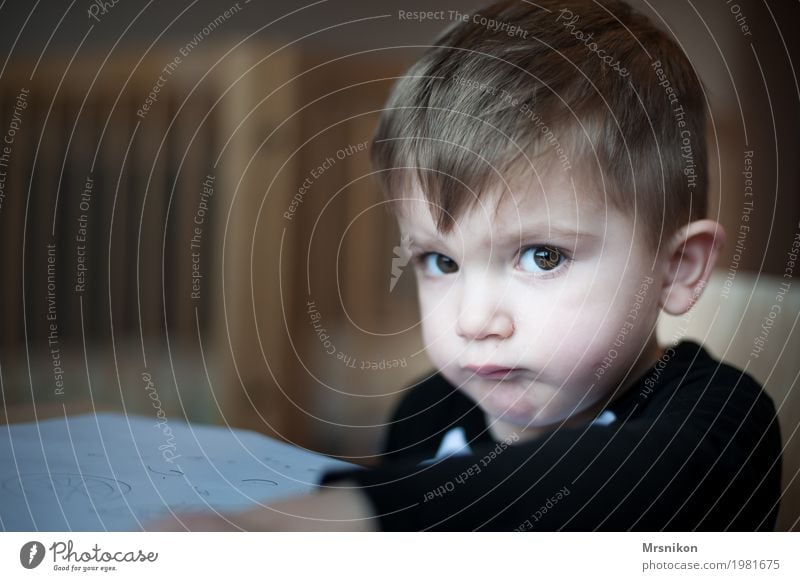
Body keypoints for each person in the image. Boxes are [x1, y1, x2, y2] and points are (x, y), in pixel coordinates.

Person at [151, 0, 781, 531]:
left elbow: (639, 486)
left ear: (676, 270)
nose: (475, 320)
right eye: (439, 260)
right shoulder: (426, 411)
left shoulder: (717, 420)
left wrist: (343, 522)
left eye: (543, 256)